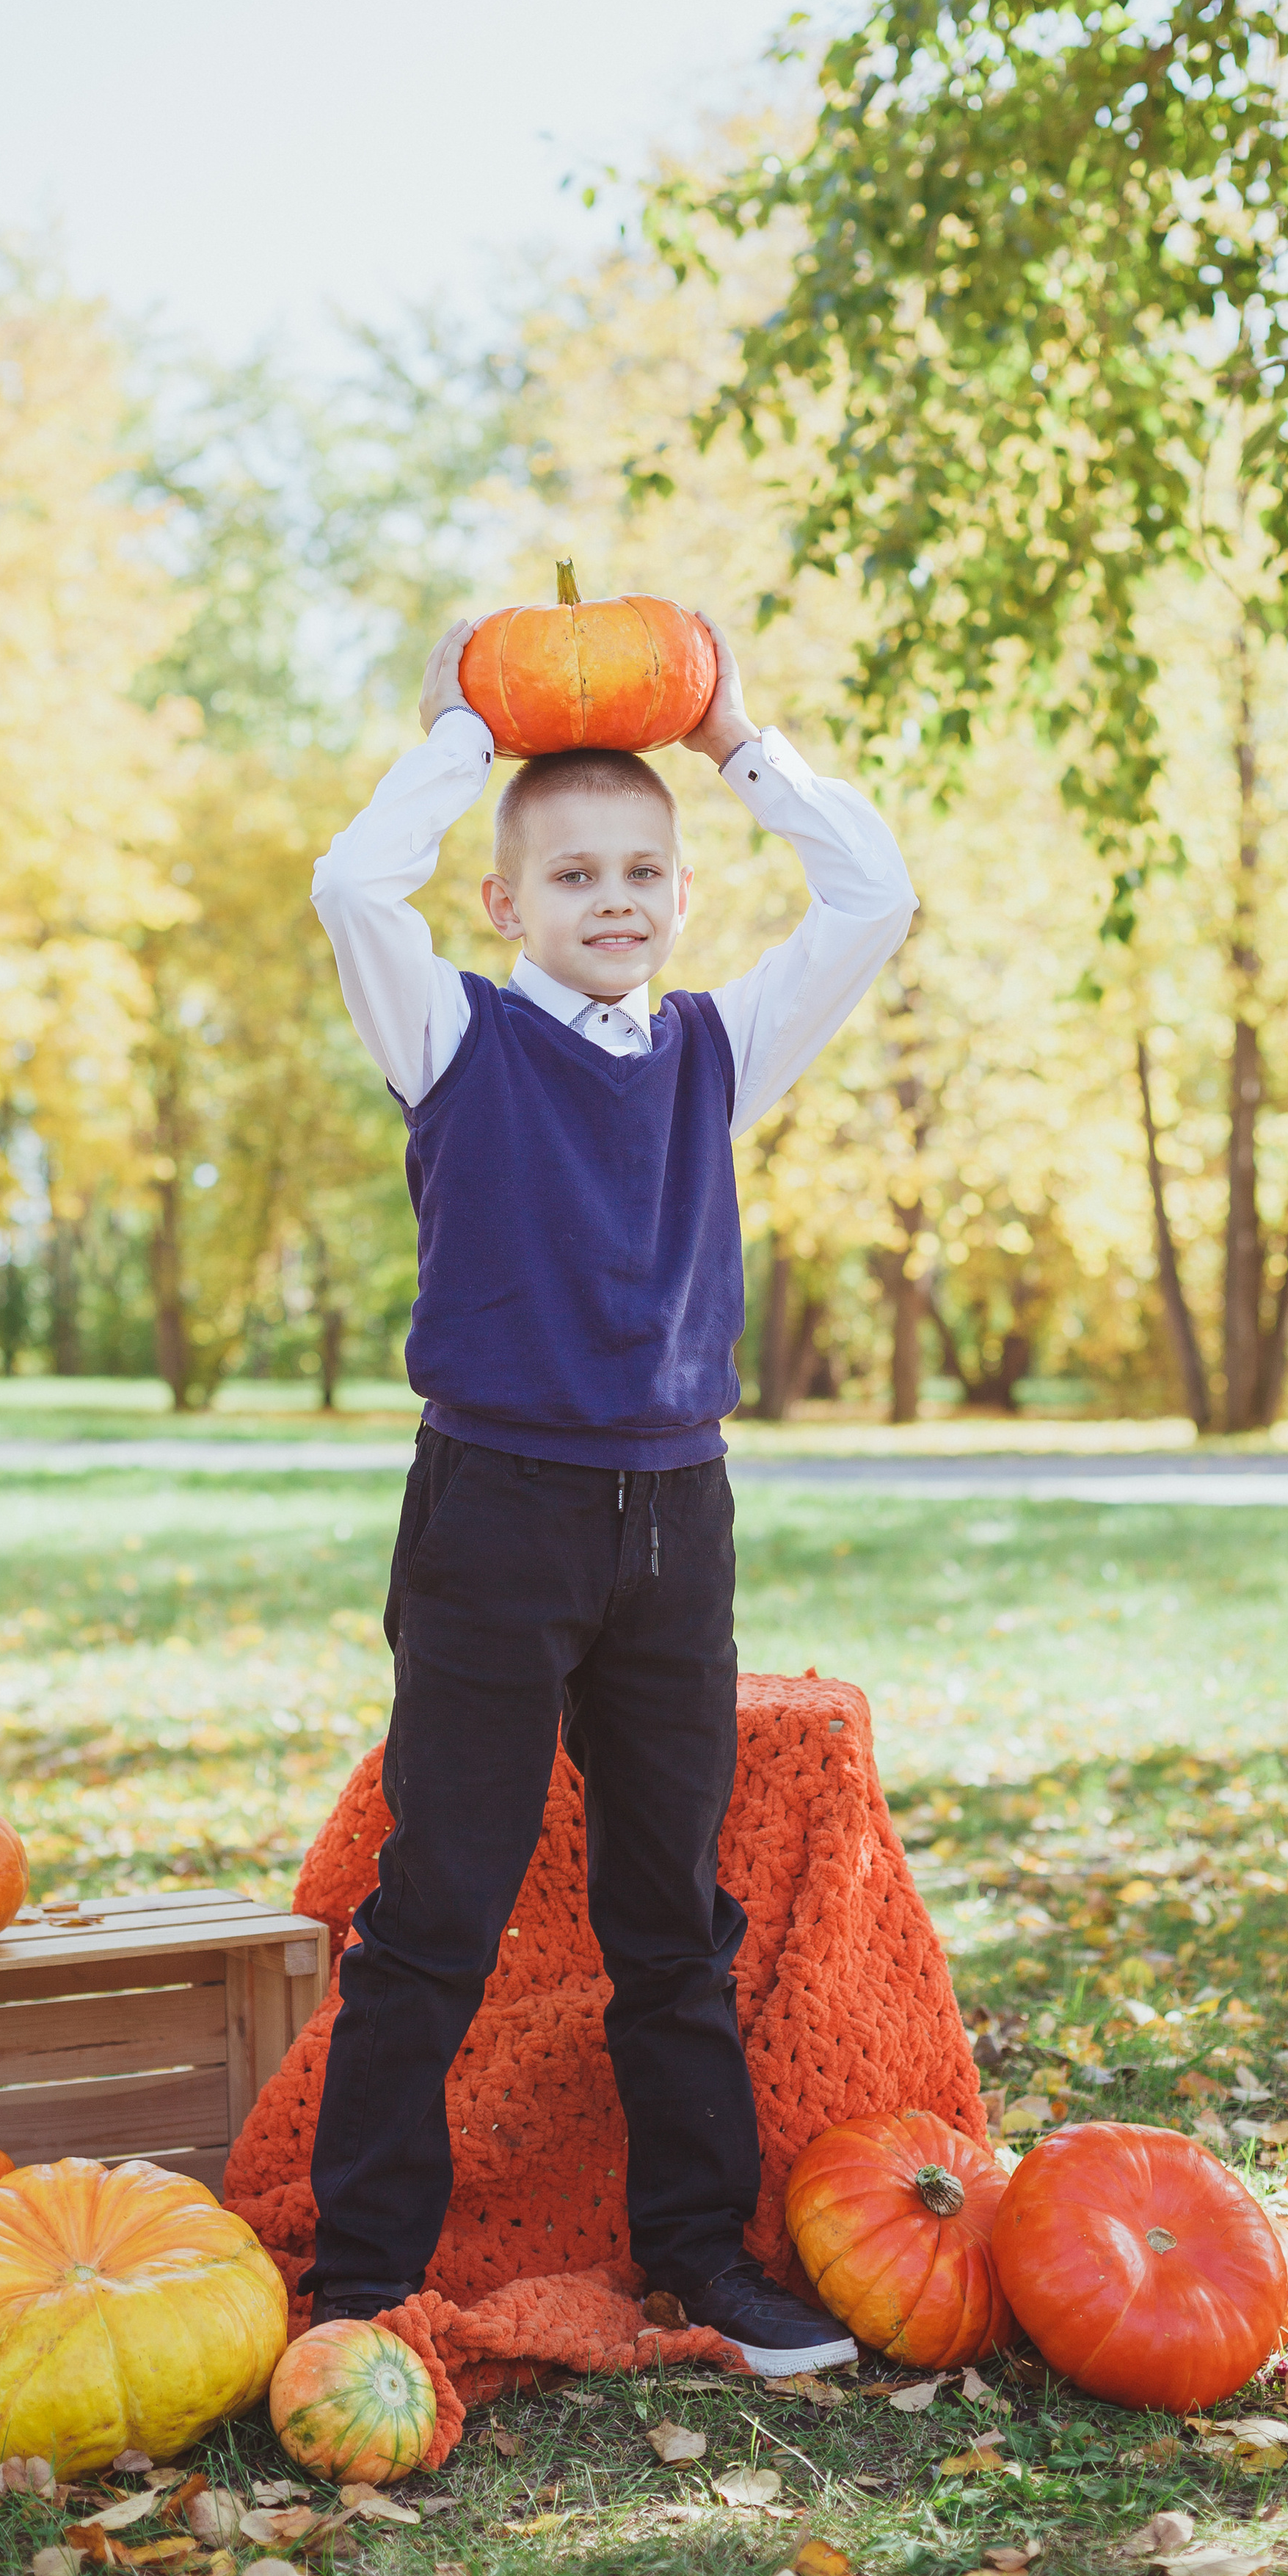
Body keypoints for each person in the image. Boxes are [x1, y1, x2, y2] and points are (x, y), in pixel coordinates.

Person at [305, 609, 917, 2373]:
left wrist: (734, 740)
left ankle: (699, 2257)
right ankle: (359, 2288)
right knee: (440, 1906)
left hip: (674, 1523)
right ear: (505, 904)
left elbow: (870, 896)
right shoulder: (451, 1037)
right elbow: (352, 888)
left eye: (643, 871)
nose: (614, 900)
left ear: (681, 888)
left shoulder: (721, 1049)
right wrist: (460, 734)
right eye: (571, 874)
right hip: (496, 1520)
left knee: (671, 1919)